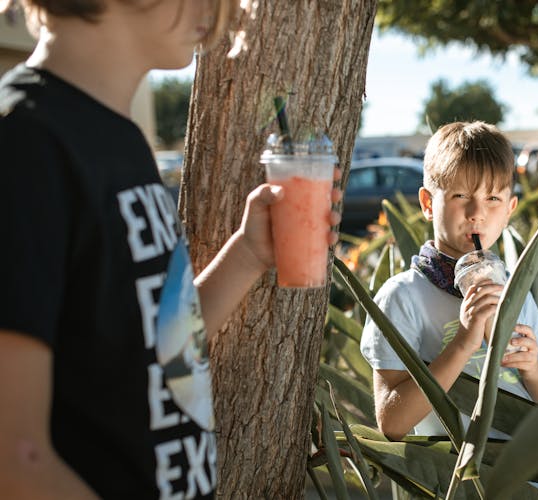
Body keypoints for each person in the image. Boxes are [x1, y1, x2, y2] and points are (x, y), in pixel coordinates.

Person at [0, 0, 341, 498]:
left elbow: (159, 343)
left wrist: (247, 253)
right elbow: (15, 459)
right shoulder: (25, 143)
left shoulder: (119, 141)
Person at [359, 121, 538, 491]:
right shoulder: (403, 296)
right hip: (453, 487)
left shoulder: (515, 291)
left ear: (510, 208)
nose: (476, 213)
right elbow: (392, 422)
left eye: (492, 199)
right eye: (460, 196)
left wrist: (532, 369)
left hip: (530, 486)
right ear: (426, 203)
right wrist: (464, 342)